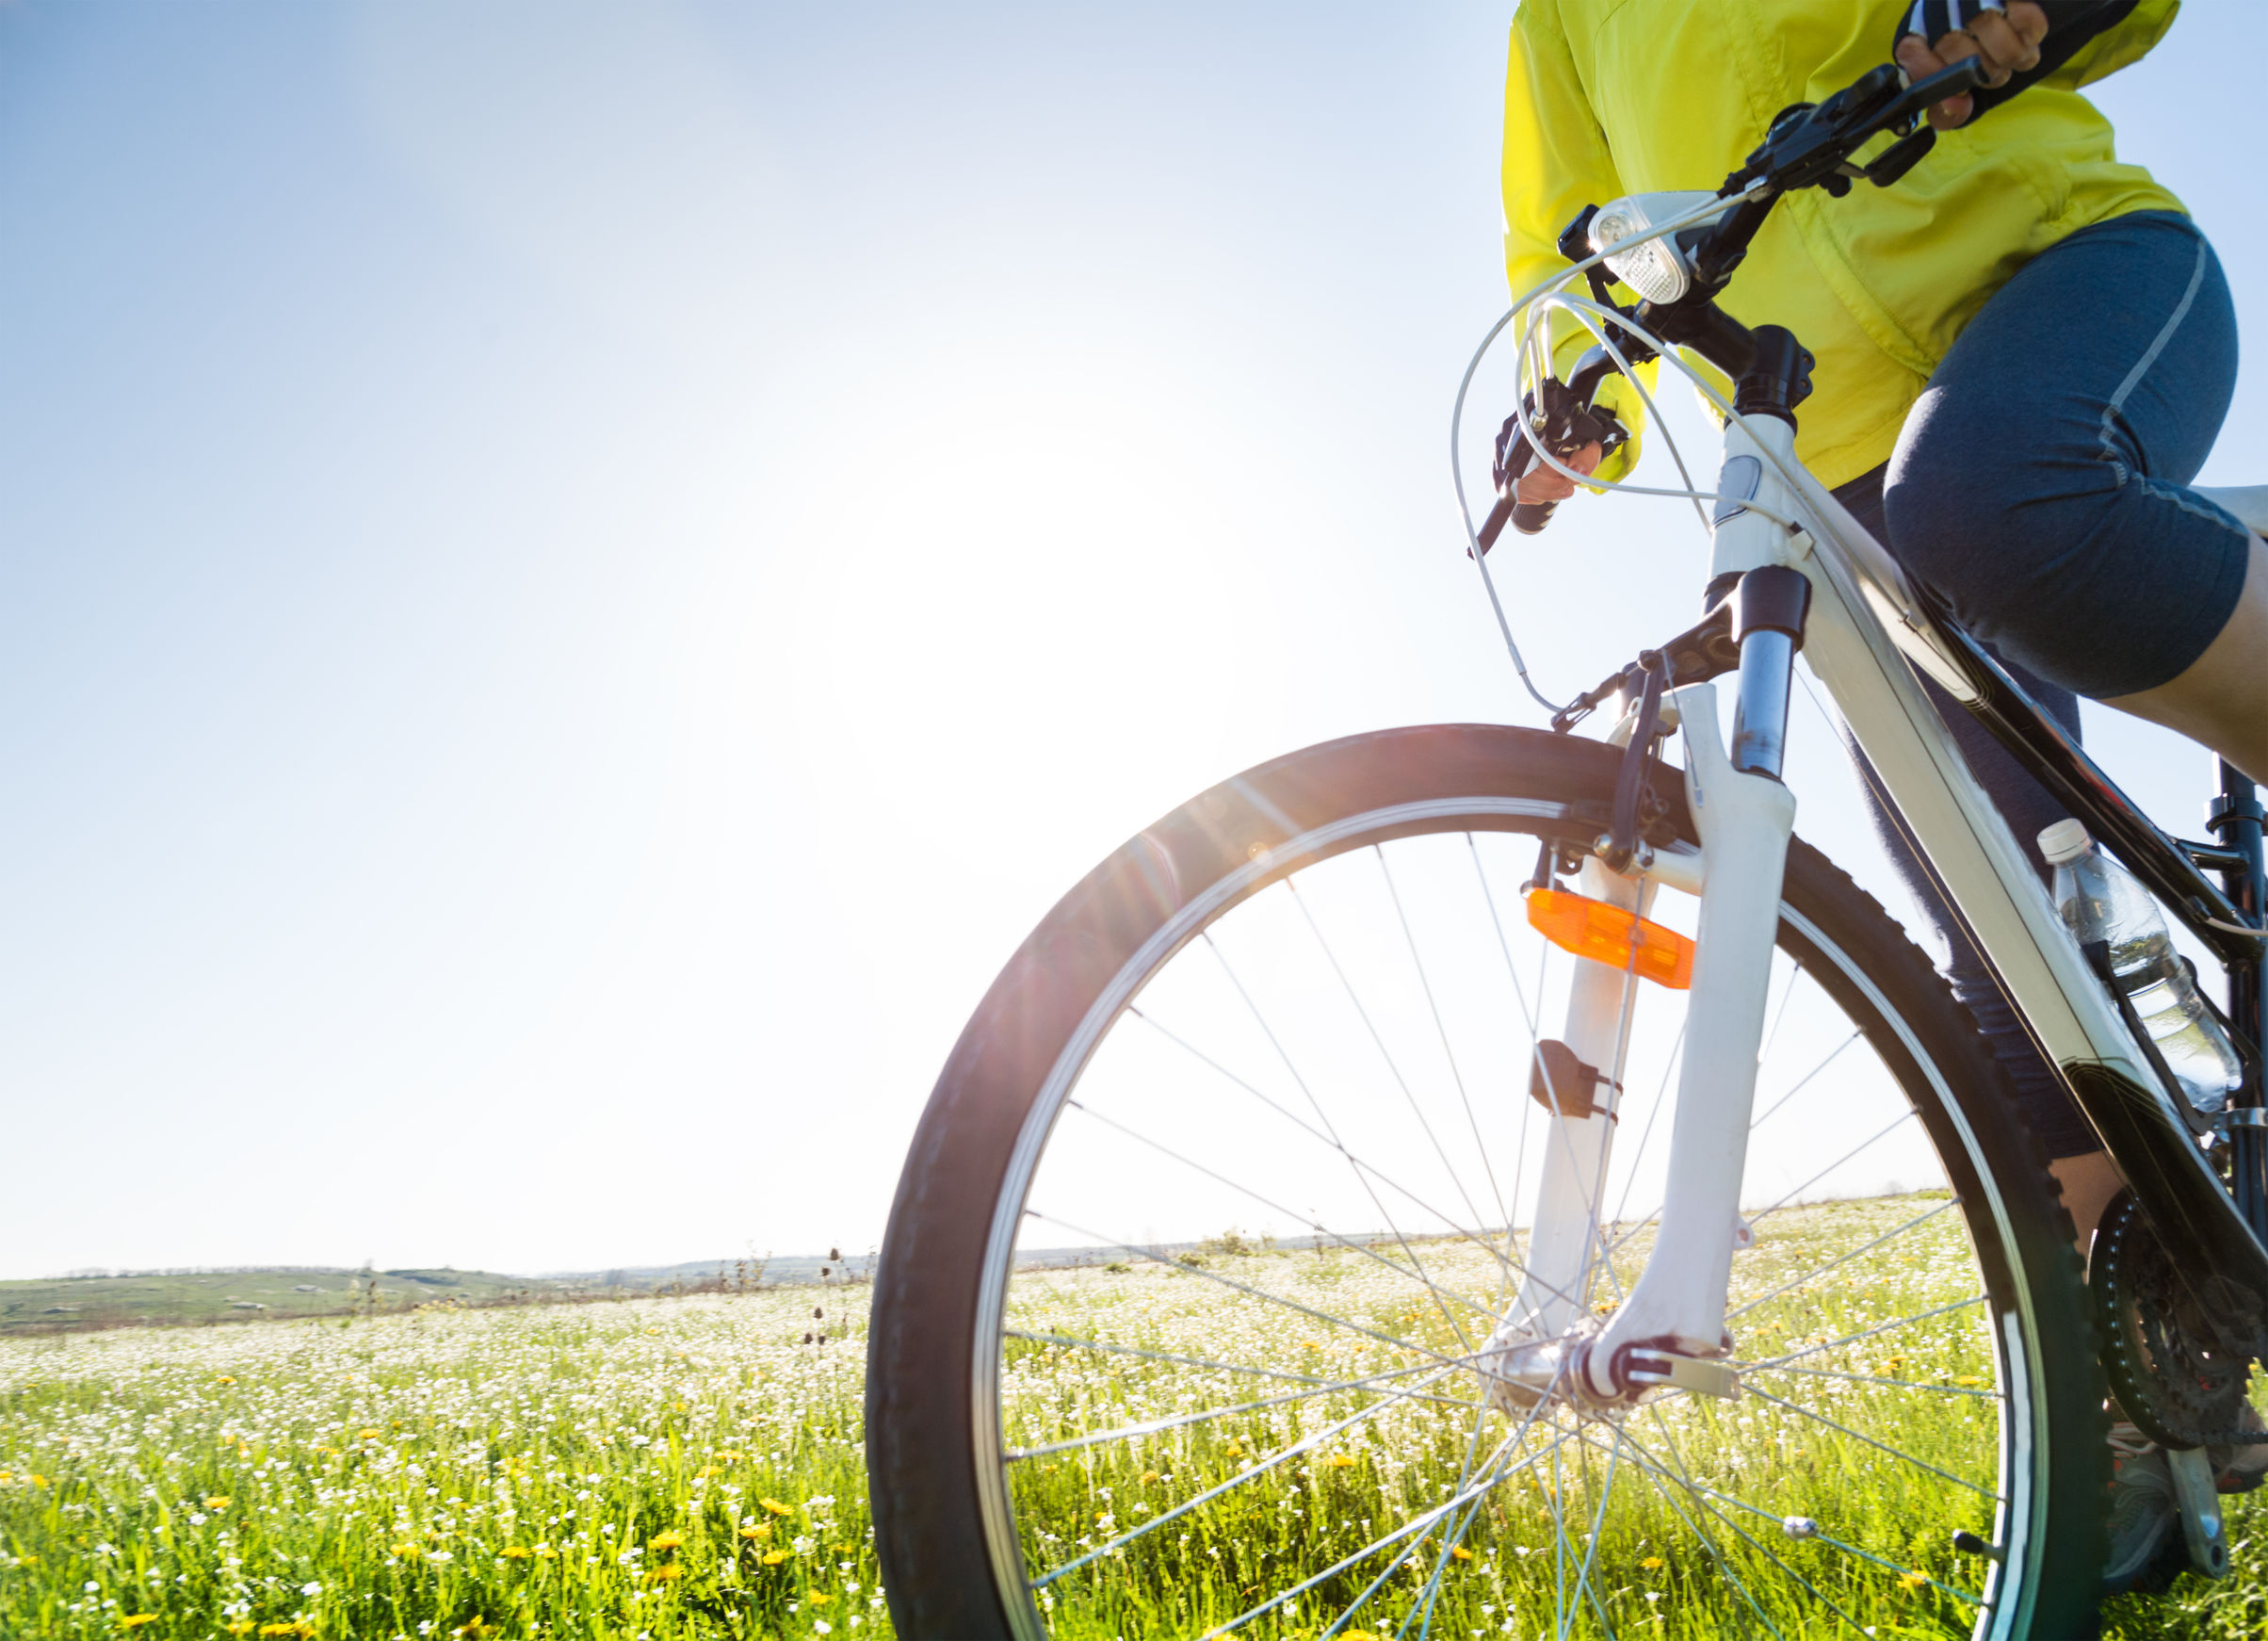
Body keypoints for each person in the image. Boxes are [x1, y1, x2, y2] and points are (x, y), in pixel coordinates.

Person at [1499, 0, 2264, 1595]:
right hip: (1829, 447)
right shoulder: (1557, 18)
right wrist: (1568, 391)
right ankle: (2149, 1415)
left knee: (1990, 502)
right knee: (1996, 937)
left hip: (2070, 269)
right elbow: (1561, 241)